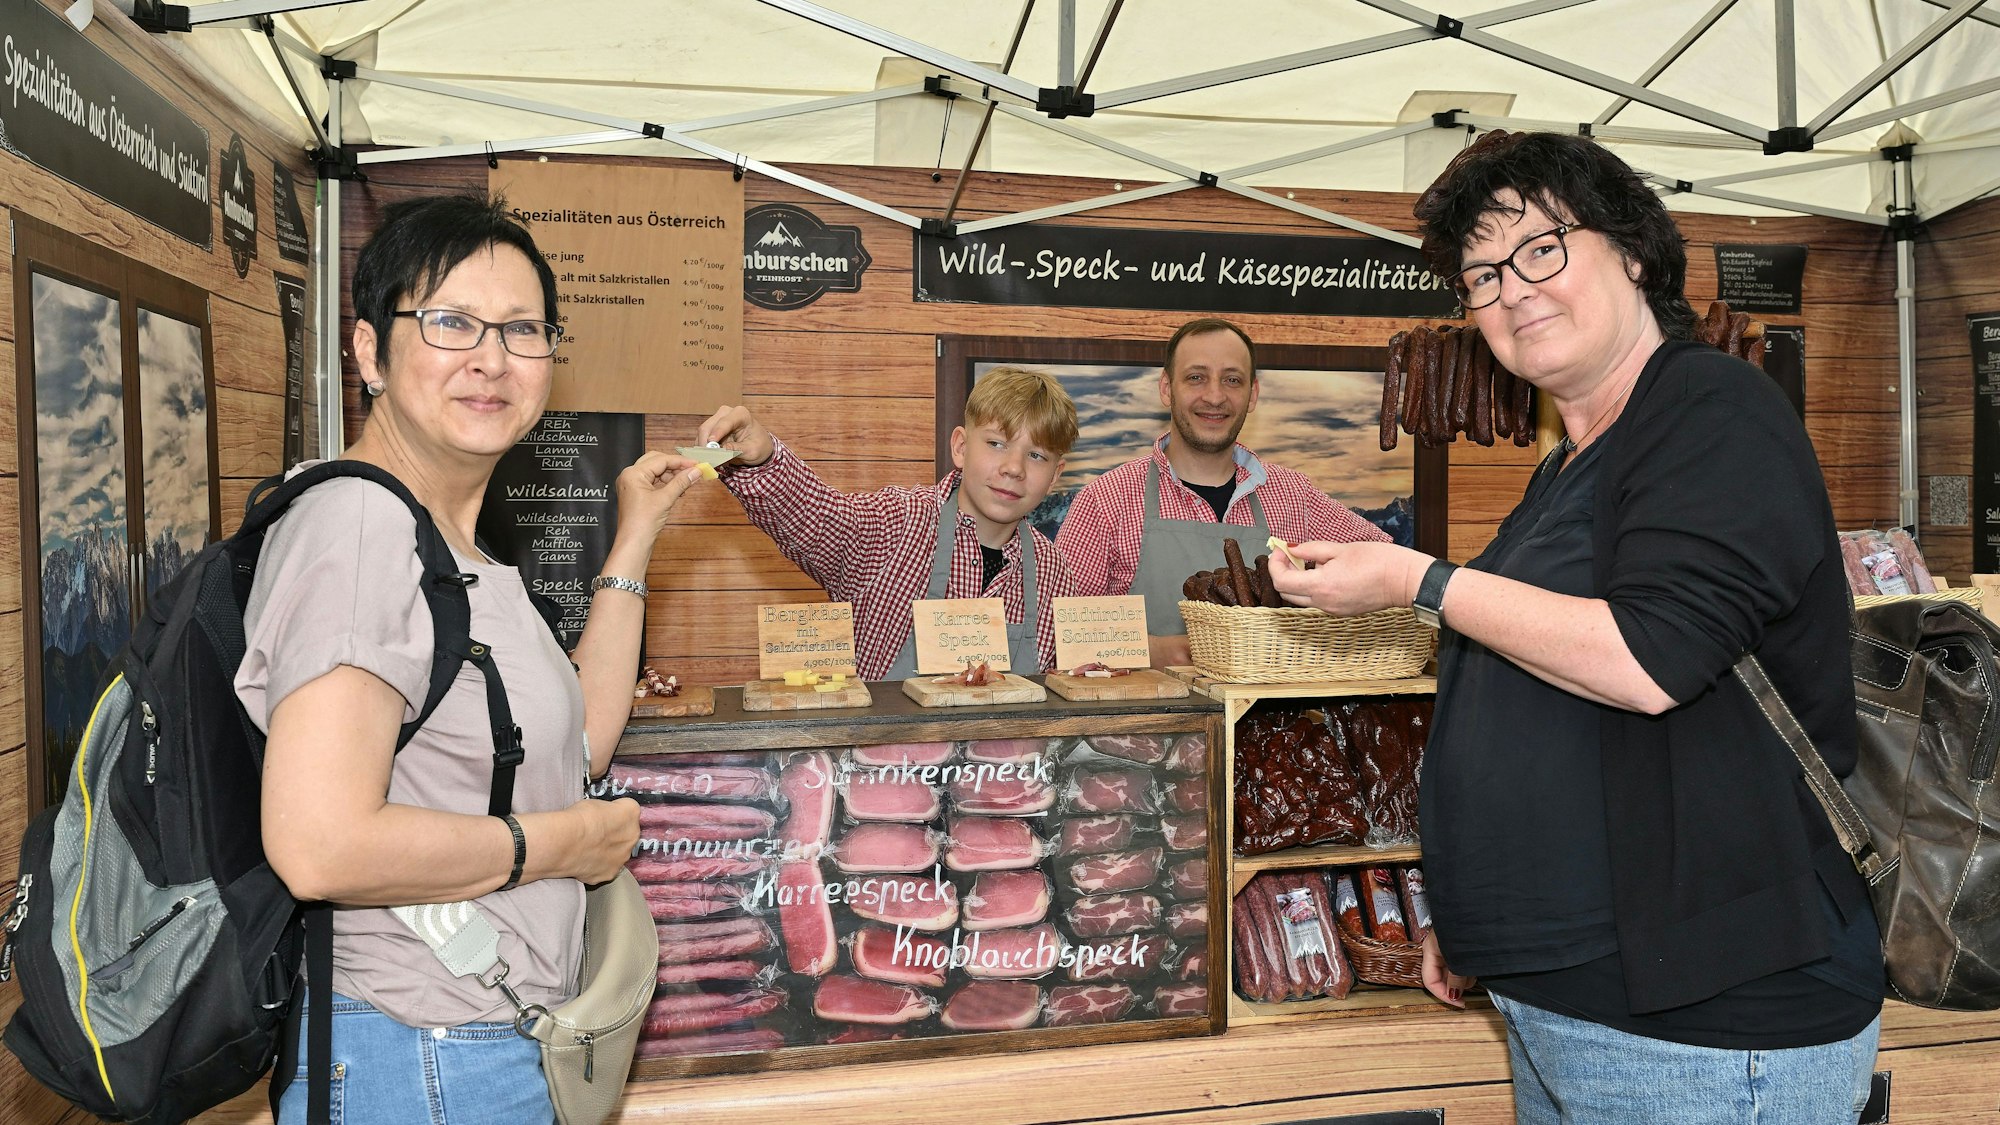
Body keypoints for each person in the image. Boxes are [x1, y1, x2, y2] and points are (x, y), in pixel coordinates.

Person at [1269, 131, 1882, 1125]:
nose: (1510, 289)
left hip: (1704, 1026)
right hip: (1571, 1003)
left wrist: (1416, 580)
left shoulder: (1710, 407)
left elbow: (1647, 660)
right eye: (1479, 273)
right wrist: (1479, 919)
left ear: (1633, 252)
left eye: (1540, 249)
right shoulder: (1563, 466)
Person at [237, 194, 704, 1122]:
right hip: (417, 1055)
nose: (492, 358)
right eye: (451, 322)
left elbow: (580, 743)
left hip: (476, 1048)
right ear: (369, 351)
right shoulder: (364, 527)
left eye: (523, 330)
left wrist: (635, 536)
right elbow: (319, 843)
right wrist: (562, 844)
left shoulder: (457, 547)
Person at [696, 366, 1083, 680]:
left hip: (999, 774)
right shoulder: (895, 524)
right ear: (961, 447)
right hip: (882, 771)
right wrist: (764, 459)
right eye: (996, 444)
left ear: (1055, 474)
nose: (1013, 468)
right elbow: (818, 517)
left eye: (1035, 455)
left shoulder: (1056, 576)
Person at [1054, 317, 1389, 667]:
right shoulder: (1107, 500)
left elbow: (1386, 566)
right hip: (1154, 719)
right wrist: (1154, 650)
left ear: (1252, 394)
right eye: (1196, 377)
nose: (1215, 396)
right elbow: (1061, 636)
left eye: (1232, 380)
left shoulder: (1294, 496)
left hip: (1275, 720)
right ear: (1167, 388)